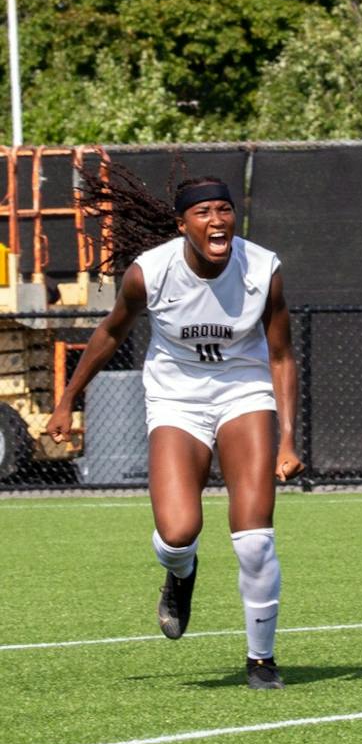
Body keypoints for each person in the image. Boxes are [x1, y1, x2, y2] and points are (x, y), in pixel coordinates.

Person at [47, 173, 303, 688]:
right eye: (204, 213)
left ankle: (261, 659)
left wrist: (288, 437)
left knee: (254, 539)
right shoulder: (150, 273)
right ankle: (180, 574)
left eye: (224, 210)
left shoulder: (263, 269)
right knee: (177, 532)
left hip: (242, 394)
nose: (217, 221)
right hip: (176, 400)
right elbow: (111, 330)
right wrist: (68, 399)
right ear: (182, 223)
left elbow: (280, 356)